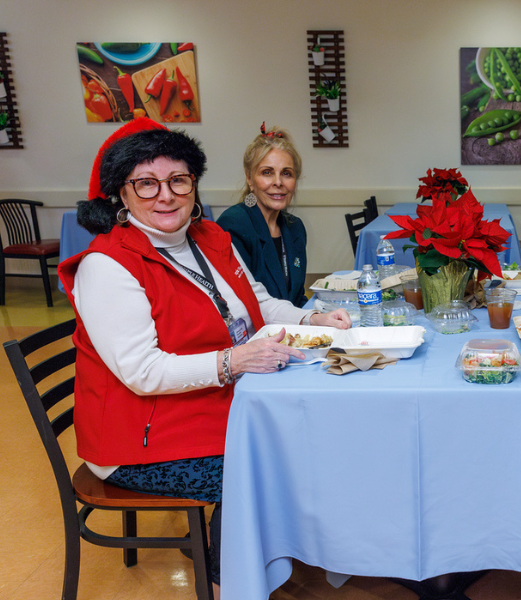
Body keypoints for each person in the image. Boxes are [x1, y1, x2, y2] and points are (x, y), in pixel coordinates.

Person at [58, 118, 351, 594]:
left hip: (204, 406)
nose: (165, 196)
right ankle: (229, 580)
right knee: (272, 464)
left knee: (309, 436)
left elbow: (259, 304)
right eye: (146, 183)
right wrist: (233, 362)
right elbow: (143, 373)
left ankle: (263, 557)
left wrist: (312, 318)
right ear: (120, 194)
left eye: (178, 180)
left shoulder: (210, 238)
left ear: (194, 185)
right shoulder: (107, 266)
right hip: (138, 439)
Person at [217, 123, 308, 307]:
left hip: (291, 330)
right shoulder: (234, 224)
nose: (278, 182)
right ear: (250, 178)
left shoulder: (295, 227)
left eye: (287, 174)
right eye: (267, 172)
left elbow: (297, 298)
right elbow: (240, 303)